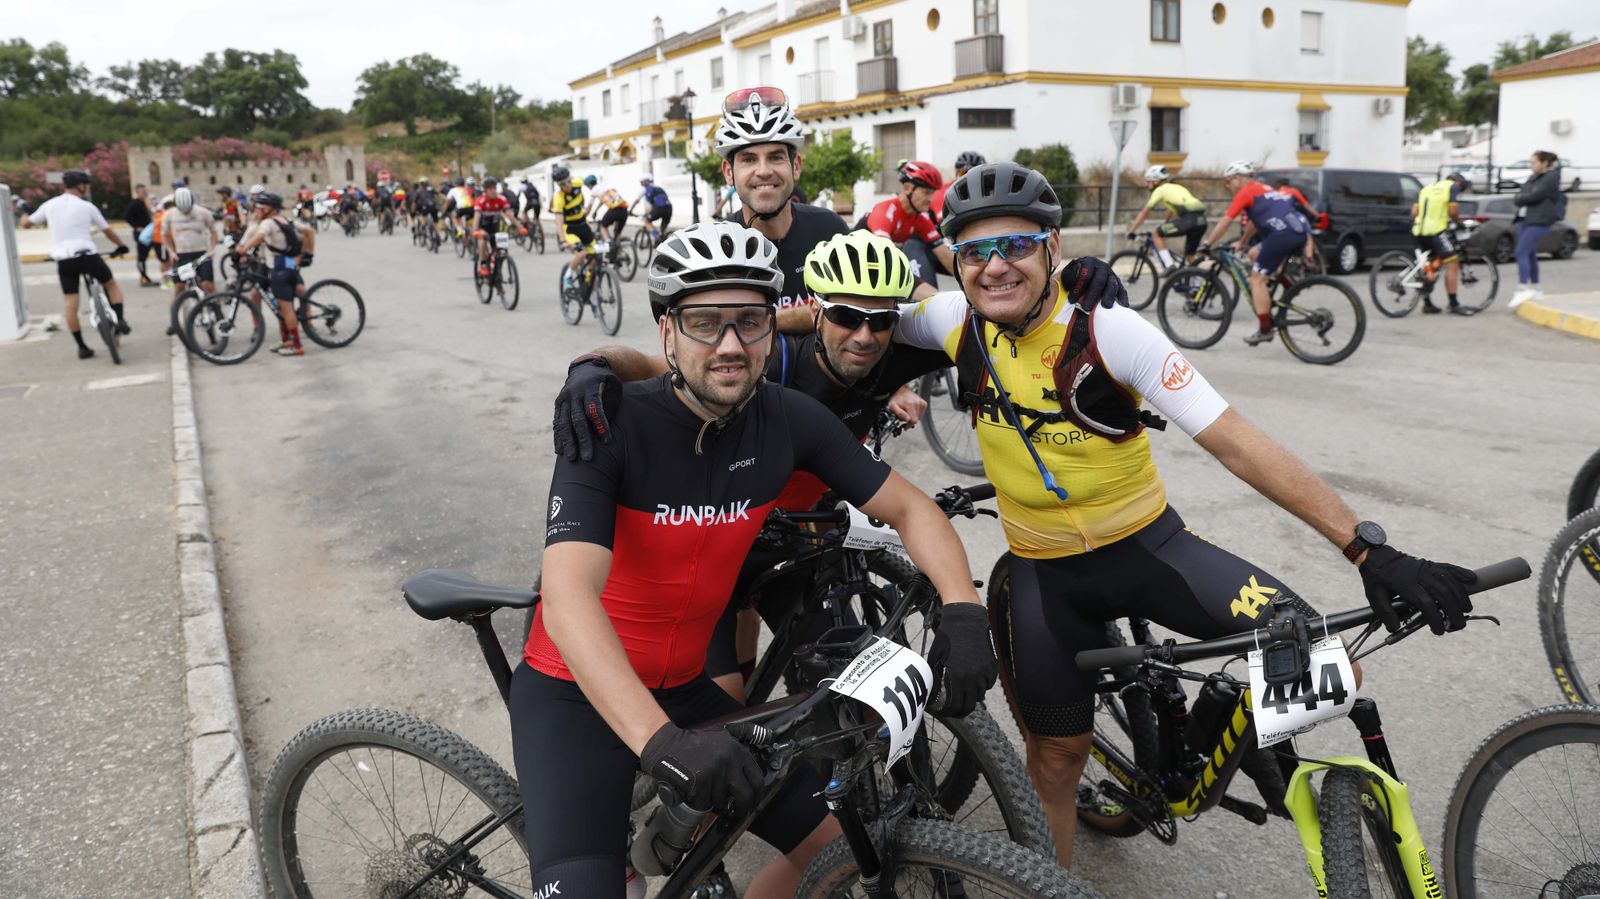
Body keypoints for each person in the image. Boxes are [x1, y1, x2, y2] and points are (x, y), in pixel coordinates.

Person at [888, 159, 1477, 869]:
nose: (995, 266)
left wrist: (1366, 548)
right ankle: (1056, 886)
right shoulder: (954, 323)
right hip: (1044, 578)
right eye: (976, 252)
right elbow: (848, 315)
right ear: (958, 262)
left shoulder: (1110, 329)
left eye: (1015, 244)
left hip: (1150, 549)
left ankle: (1244, 739)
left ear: (1052, 247)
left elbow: (1236, 440)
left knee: (1334, 668)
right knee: (1055, 758)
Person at [519, 219, 998, 899]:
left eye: (749, 321)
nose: (729, 344)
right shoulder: (610, 424)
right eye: (705, 322)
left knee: (837, 848)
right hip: (571, 689)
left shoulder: (789, 419)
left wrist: (963, 606)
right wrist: (661, 745)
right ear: (667, 332)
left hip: (685, 687)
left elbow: (912, 510)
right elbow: (568, 599)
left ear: (774, 329)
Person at [551, 231, 954, 702]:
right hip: (723, 530)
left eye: (881, 321)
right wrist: (592, 362)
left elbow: (979, 315)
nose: (864, 335)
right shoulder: (766, 361)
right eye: (845, 316)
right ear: (820, 315)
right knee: (727, 700)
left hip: (794, 524)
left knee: (832, 676)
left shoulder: (886, 355)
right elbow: (655, 365)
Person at [715, 86, 851, 309]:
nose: (763, 171)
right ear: (729, 172)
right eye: (749, 160)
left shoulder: (829, 230)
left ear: (796, 166)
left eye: (776, 157)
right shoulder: (719, 247)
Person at [19, 170, 132, 359]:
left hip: (65, 260)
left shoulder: (49, 205)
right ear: (80, 185)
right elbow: (107, 231)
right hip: (87, 255)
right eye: (85, 184)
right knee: (110, 284)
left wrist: (24, 214)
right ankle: (120, 320)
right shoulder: (86, 206)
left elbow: (26, 224)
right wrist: (121, 246)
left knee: (71, 303)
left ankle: (82, 347)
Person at [1198, 160, 1312, 346]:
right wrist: (1242, 243)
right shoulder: (1264, 188)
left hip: (1281, 235)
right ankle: (1287, 286)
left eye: (1228, 182)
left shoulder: (1245, 192)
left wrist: (1208, 243)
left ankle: (1265, 329)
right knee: (1253, 253)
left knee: (1256, 280)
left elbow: (1225, 222)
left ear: (1236, 179)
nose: (1228, 186)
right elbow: (1253, 221)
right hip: (1297, 231)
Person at [232, 192, 315, 356]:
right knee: (283, 304)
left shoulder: (267, 223)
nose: (256, 210)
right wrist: (308, 254)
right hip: (288, 264)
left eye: (258, 208)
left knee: (286, 308)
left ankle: (296, 344)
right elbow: (309, 232)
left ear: (267, 209)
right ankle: (286, 340)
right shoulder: (286, 220)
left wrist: (242, 250)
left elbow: (259, 237)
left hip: (278, 268)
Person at [864, 160, 956, 286]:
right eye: (926, 193)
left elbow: (944, 255)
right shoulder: (885, 212)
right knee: (914, 245)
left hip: (880, 269)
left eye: (933, 193)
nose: (931, 199)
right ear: (907, 188)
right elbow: (884, 257)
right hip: (861, 266)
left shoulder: (921, 219)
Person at [1409, 170, 1472, 315]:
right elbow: (1453, 210)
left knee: (1432, 265)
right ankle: (1453, 303)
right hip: (1437, 231)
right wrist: (1458, 222)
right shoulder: (1452, 187)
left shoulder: (1426, 188)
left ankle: (1427, 303)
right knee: (1452, 262)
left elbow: (1414, 212)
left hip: (1419, 231)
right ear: (1458, 183)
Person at [1124, 165, 1208, 267]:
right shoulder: (1177, 187)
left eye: (1148, 181)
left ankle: (1169, 266)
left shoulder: (1159, 190)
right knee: (1190, 256)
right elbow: (1170, 209)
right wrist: (1166, 224)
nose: (1147, 185)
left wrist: (1132, 231)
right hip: (1202, 220)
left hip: (1190, 219)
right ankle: (1199, 281)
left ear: (1156, 181)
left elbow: (1144, 213)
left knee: (1156, 233)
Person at [1509, 150, 1563, 309]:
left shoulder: (1550, 178)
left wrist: (1524, 197)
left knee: (1521, 252)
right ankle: (1537, 288)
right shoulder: (1534, 178)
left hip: (1539, 220)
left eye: (1534, 162)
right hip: (1525, 219)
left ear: (1544, 163)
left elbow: (1533, 196)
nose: (1531, 166)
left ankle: (1522, 288)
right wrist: (1524, 196)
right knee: (1530, 253)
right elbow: (1521, 195)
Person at [160, 187, 218, 331]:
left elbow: (214, 231)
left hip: (201, 254)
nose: (185, 213)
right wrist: (171, 252)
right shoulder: (169, 215)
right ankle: (174, 321)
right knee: (178, 288)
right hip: (181, 255)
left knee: (208, 286)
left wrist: (211, 249)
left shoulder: (203, 213)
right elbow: (165, 235)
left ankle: (217, 312)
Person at [549, 165, 592, 291]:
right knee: (582, 253)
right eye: (563, 184)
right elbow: (558, 220)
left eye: (568, 181)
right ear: (559, 185)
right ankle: (567, 277)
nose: (567, 185)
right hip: (570, 229)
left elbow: (590, 187)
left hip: (583, 224)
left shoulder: (577, 182)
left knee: (594, 258)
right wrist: (562, 240)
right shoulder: (559, 197)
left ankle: (593, 294)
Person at [470, 177, 513, 278]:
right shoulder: (481, 201)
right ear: (486, 191)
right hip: (482, 226)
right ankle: (483, 264)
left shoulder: (501, 199)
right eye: (490, 189)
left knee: (499, 249)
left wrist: (519, 227)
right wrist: (475, 230)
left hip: (494, 226)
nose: (494, 191)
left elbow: (509, 215)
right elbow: (476, 217)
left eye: (495, 188)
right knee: (484, 238)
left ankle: (496, 272)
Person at [931, 151, 984, 223]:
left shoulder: (988, 191)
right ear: (956, 173)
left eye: (975, 174)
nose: (967, 178)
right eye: (963, 173)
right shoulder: (941, 192)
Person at [124, 184, 156, 287]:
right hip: (141, 234)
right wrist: (136, 226)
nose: (144, 193)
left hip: (148, 233)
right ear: (137, 192)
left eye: (145, 191)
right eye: (142, 192)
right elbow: (127, 216)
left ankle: (146, 277)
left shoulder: (144, 203)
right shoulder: (135, 204)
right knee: (141, 257)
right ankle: (143, 278)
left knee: (146, 255)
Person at [585, 175, 630, 242]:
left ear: (590, 185)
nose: (589, 188)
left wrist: (583, 217)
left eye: (588, 186)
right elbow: (603, 201)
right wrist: (596, 210)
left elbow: (589, 207)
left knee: (603, 226)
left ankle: (608, 243)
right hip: (624, 210)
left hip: (614, 210)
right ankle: (618, 247)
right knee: (617, 232)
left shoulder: (594, 191)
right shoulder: (605, 186)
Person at [629, 174, 672, 242]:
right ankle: (667, 241)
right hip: (669, 208)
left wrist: (630, 210)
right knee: (663, 227)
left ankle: (656, 237)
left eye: (642, 182)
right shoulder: (659, 187)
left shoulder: (646, 189)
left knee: (646, 221)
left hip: (659, 208)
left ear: (645, 181)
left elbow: (637, 201)